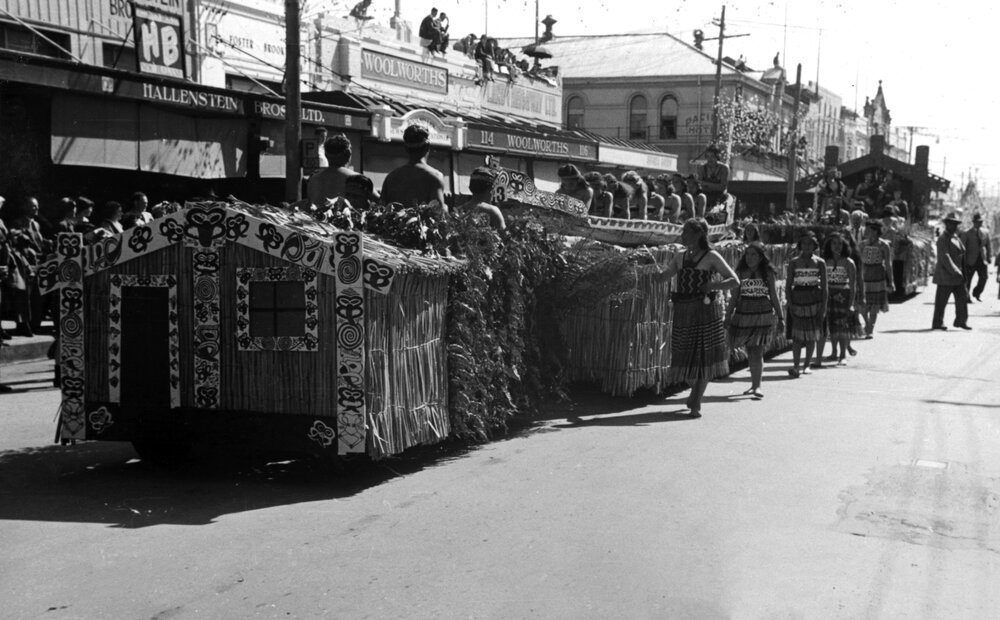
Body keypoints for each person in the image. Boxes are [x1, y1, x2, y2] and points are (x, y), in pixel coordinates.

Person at [660, 219, 740, 416]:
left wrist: (712, 286)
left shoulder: (711, 256)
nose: (683, 235)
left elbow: (734, 281)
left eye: (686, 232)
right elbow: (665, 275)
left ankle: (696, 400)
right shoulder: (680, 256)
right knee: (684, 355)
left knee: (703, 356)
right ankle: (695, 391)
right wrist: (650, 270)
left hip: (705, 312)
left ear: (698, 234)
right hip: (684, 312)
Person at [727, 241, 782, 398]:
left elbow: (774, 296)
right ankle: (754, 385)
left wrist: (780, 316)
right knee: (750, 350)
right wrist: (728, 316)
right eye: (747, 254)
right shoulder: (740, 272)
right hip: (744, 315)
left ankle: (757, 386)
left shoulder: (767, 273)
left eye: (754, 254)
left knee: (757, 350)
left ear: (760, 257)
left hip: (762, 315)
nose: (750, 257)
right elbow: (734, 297)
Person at [785, 231, 827, 377]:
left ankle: (807, 365)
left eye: (810, 243)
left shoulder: (820, 262)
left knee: (811, 335)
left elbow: (825, 287)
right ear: (800, 245)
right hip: (798, 300)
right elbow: (788, 285)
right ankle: (796, 365)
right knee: (797, 336)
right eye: (804, 243)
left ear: (815, 245)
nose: (807, 246)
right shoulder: (794, 262)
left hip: (814, 300)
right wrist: (790, 304)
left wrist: (823, 307)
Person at [815, 233, 858, 367]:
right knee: (831, 326)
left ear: (844, 245)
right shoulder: (824, 261)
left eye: (839, 243)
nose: (837, 246)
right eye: (834, 243)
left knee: (842, 327)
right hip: (828, 296)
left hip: (842, 296)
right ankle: (834, 352)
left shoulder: (849, 262)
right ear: (829, 245)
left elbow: (852, 285)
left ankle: (843, 355)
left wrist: (851, 304)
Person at [381, 125, 448, 211]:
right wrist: (445, 208)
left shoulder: (391, 178)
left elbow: (381, 211)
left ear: (406, 148)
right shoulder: (435, 176)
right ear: (428, 147)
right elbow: (439, 214)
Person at [932, 212, 970, 330]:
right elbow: (945, 257)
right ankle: (938, 322)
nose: (953, 226)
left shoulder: (955, 237)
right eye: (951, 224)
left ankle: (961, 321)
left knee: (962, 298)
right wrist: (955, 271)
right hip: (946, 275)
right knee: (941, 302)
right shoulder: (943, 239)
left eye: (955, 224)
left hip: (957, 275)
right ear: (946, 224)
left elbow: (962, 252)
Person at [857, 220, 893, 338]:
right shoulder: (862, 244)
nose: (867, 231)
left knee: (875, 304)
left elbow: (888, 264)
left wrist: (890, 281)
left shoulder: (883, 245)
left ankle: (870, 329)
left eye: (869, 229)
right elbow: (858, 262)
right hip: (865, 275)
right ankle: (867, 324)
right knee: (862, 303)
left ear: (876, 231)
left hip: (878, 275)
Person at [307, 134, 360, 210]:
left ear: (325, 154)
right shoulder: (357, 179)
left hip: (316, 220)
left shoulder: (313, 180)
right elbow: (381, 202)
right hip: (345, 220)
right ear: (348, 153)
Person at [459, 167, 506, 231]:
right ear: (491, 189)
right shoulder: (493, 211)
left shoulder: (459, 210)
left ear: (470, 188)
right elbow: (505, 237)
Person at [961, 212, 991, 301]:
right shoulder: (966, 233)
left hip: (982, 259)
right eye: (977, 222)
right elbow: (962, 248)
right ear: (973, 222)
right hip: (970, 260)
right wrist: (963, 261)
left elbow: (988, 246)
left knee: (984, 277)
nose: (979, 223)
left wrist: (988, 257)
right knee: (968, 280)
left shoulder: (985, 232)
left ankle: (977, 292)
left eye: (981, 222)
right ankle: (967, 297)